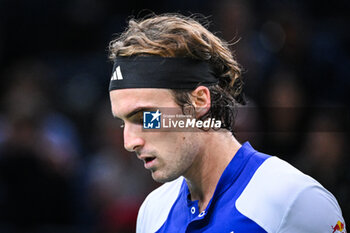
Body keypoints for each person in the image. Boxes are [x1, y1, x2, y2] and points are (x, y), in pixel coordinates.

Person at [107, 14, 346, 233]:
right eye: (123, 122)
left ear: (199, 101)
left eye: (143, 117)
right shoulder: (152, 212)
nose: (129, 142)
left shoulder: (296, 201)